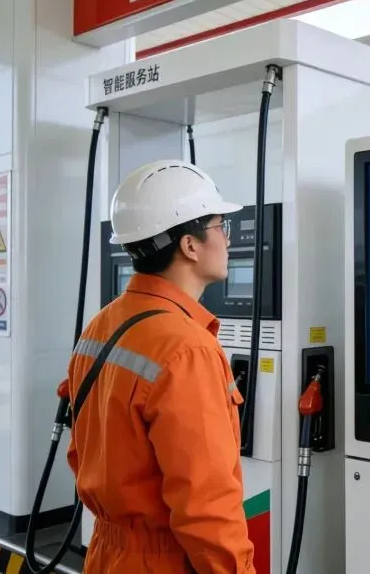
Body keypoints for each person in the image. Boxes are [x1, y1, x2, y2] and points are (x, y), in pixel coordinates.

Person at [64, 160, 256, 573]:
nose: (227, 239)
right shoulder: (188, 349)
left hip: (107, 555)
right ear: (190, 245)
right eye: (221, 226)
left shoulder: (101, 325)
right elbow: (207, 509)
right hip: (164, 562)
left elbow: (81, 451)